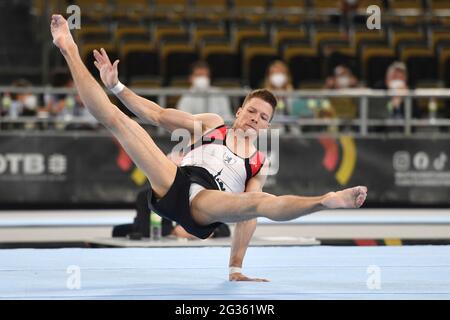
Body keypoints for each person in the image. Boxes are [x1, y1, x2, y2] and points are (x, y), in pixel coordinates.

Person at [51, 14, 368, 282]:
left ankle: (325, 200)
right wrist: (116, 87)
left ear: (267, 126)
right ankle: (69, 50)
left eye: (263, 118)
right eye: (252, 111)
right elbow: (158, 116)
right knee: (121, 123)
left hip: (208, 204)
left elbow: (249, 214)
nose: (255, 120)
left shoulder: (257, 162)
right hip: (176, 181)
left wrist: (235, 266)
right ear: (240, 110)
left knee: (258, 200)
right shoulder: (212, 125)